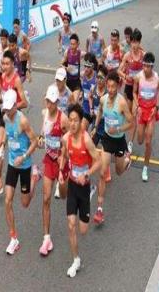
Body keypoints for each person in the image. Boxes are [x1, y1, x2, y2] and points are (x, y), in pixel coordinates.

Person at [58, 103, 101, 277]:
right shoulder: (66, 138)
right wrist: (61, 171)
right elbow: (64, 155)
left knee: (83, 230)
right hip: (73, 185)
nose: (73, 123)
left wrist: (87, 174)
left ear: (81, 121)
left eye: (76, 120)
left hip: (84, 187)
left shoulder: (86, 140)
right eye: (70, 120)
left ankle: (91, 192)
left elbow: (98, 161)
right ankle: (76, 260)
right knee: (71, 224)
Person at [0, 89, 41, 255]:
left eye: (9, 108)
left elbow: (35, 142)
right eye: (5, 108)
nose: (7, 111)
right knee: (7, 200)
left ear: (16, 106)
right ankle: (13, 238)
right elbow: (7, 135)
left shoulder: (22, 121)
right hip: (12, 164)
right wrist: (2, 145)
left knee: (25, 203)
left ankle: (34, 178)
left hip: (24, 165)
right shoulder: (5, 118)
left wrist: (23, 157)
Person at [92, 71, 134, 225]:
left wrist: (117, 129)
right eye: (108, 86)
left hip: (119, 140)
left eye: (113, 87)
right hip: (107, 139)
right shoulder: (103, 99)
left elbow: (131, 122)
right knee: (103, 173)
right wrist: (95, 127)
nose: (110, 90)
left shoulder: (121, 103)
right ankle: (99, 210)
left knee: (119, 171)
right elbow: (100, 112)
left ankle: (127, 161)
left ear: (118, 87)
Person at [0, 50, 29, 197]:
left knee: (18, 148)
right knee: (0, 148)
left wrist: (12, 107)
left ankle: (28, 173)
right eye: (3, 64)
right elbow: (2, 95)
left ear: (13, 64)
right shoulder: (2, 77)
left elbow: (24, 103)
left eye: (7, 64)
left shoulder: (16, 80)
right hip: (5, 116)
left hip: (16, 117)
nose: (4, 66)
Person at [38, 85, 69, 256]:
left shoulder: (63, 119)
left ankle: (84, 192)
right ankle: (46, 238)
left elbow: (68, 141)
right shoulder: (44, 114)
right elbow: (43, 132)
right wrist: (41, 139)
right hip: (49, 161)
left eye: (51, 102)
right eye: (47, 101)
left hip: (61, 163)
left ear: (57, 102)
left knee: (64, 196)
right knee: (46, 198)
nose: (49, 104)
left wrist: (62, 158)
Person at [133, 52, 159, 182]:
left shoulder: (158, 80)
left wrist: (156, 108)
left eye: (148, 66)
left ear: (152, 67)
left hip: (151, 112)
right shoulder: (138, 77)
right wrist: (137, 106)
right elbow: (134, 92)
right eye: (144, 66)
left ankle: (145, 167)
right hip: (141, 111)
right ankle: (142, 131)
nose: (145, 69)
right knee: (140, 140)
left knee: (147, 142)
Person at [118, 28, 144, 152]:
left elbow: (148, 71)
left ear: (139, 42)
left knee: (134, 115)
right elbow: (119, 70)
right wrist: (125, 76)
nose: (134, 45)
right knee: (127, 116)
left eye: (136, 42)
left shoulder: (143, 55)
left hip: (138, 89)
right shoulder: (127, 55)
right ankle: (121, 137)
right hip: (129, 87)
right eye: (133, 42)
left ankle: (130, 143)